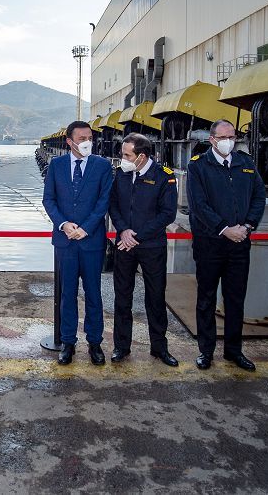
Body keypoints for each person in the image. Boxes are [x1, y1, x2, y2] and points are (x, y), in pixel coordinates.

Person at [186, 119, 266, 372]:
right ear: (212, 140)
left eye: (232, 136)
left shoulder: (246, 163)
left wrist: (248, 226)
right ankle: (206, 351)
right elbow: (198, 205)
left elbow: (258, 196)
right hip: (210, 244)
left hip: (240, 244)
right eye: (223, 137)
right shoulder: (198, 166)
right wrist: (224, 228)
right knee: (206, 299)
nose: (228, 141)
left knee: (235, 299)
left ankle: (234, 351)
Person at [41, 120, 113, 365]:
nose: (87, 142)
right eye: (81, 139)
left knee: (94, 293)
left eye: (89, 138)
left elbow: (104, 201)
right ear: (70, 141)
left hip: (91, 242)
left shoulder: (102, 166)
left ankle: (95, 343)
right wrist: (63, 224)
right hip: (65, 242)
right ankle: (68, 342)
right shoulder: (56, 165)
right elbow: (48, 199)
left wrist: (86, 228)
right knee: (67, 294)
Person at [108, 133, 179, 366]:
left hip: (151, 246)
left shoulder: (164, 177)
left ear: (142, 157)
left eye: (127, 155)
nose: (123, 159)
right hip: (124, 244)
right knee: (122, 297)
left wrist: (136, 236)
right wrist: (123, 230)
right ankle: (121, 346)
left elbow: (167, 214)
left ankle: (159, 348)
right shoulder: (121, 174)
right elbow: (114, 205)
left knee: (155, 298)